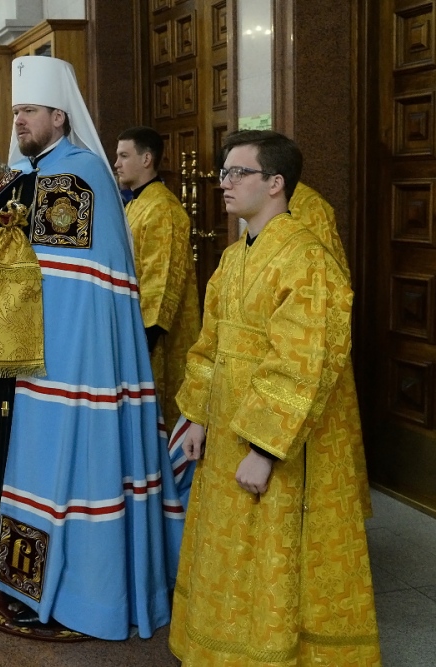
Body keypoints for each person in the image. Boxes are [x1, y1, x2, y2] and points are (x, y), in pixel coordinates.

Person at [0, 55, 185, 640]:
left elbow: (74, 286)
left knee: (67, 474)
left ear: (59, 116)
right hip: (16, 366)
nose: (19, 122)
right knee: (14, 470)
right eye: (15, 112)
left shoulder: (79, 178)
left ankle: (78, 593)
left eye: (29, 111)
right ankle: (17, 581)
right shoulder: (19, 178)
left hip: (63, 368)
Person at [170, 130, 381, 664]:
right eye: (223, 172)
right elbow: (208, 344)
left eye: (237, 173)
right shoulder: (232, 257)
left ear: (275, 183)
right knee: (230, 544)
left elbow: (303, 361)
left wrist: (264, 450)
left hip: (276, 440)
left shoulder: (307, 259)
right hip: (223, 431)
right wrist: (197, 417)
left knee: (273, 546)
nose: (224, 182)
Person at [114, 126, 200, 427]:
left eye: (124, 156)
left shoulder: (162, 208)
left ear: (146, 159)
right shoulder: (135, 203)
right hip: (133, 328)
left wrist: (141, 343)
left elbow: (161, 283)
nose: (117, 164)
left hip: (154, 338)